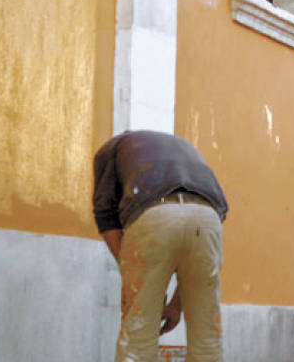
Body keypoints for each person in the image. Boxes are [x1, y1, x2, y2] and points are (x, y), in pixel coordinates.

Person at [92, 130, 229, 361]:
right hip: (208, 217)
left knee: (138, 340)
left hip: (154, 212)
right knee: (207, 340)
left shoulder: (111, 149)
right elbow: (194, 243)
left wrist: (132, 270)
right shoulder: (184, 147)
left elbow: (105, 214)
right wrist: (176, 305)